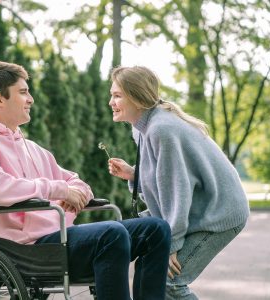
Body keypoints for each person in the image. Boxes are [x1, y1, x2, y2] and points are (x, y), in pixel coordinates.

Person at [0, 61, 171, 300]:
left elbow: (75, 182)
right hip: (20, 248)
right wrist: (58, 190)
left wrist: (74, 192)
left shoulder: (31, 148)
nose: (31, 99)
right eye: (23, 92)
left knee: (156, 229)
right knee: (111, 234)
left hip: (56, 238)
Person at [107, 65, 250, 300]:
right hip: (201, 211)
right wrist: (134, 175)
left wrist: (171, 242)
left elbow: (177, 191)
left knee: (167, 283)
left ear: (137, 97)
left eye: (117, 95)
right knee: (147, 273)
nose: (111, 101)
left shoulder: (162, 129)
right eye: (112, 94)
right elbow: (164, 180)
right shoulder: (143, 128)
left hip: (220, 214)